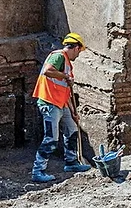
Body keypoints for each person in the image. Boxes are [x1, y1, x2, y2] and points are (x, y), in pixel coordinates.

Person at [30, 33, 92, 183]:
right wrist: (65, 77)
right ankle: (38, 171)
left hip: (61, 103)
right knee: (51, 139)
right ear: (76, 47)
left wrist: (73, 111)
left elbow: (66, 91)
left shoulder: (67, 65)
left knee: (72, 130)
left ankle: (71, 163)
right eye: (79, 51)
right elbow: (47, 71)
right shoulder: (59, 56)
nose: (78, 55)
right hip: (50, 103)